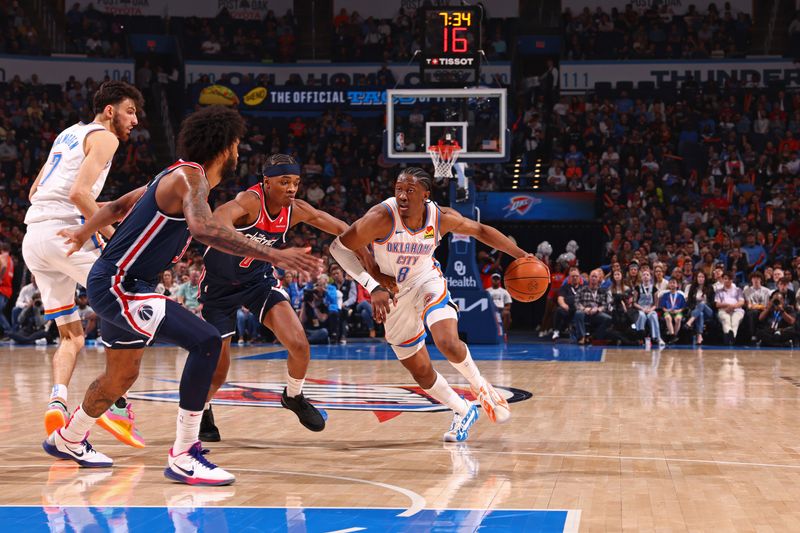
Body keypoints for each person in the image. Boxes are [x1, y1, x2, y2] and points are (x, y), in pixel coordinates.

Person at [46, 105, 322, 486]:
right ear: (224, 147)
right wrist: (274, 254)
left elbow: (119, 205)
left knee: (120, 376)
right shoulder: (191, 179)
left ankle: (69, 437)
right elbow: (204, 229)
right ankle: (184, 454)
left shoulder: (173, 173)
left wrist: (83, 232)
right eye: (237, 145)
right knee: (207, 341)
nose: (239, 152)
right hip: (121, 284)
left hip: (117, 281)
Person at [330, 167, 536, 442]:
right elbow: (338, 249)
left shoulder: (441, 217)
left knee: (447, 342)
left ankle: (481, 387)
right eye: (398, 189)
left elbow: (481, 231)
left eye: (410, 191)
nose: (402, 196)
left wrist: (522, 255)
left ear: (426, 195)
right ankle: (463, 411)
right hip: (393, 294)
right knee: (420, 371)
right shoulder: (381, 217)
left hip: (427, 280)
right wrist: (373, 284)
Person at [197, 153, 380, 442]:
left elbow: (342, 228)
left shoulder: (296, 209)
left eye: (295, 182)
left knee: (299, 344)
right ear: (266, 182)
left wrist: (365, 252)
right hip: (220, 288)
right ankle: (203, 408)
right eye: (285, 182)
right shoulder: (250, 202)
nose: (292, 188)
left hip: (258, 282)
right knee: (218, 371)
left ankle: (293, 396)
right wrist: (267, 252)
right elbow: (218, 219)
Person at [21, 81, 146, 445]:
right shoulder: (106, 138)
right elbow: (78, 194)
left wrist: (101, 229)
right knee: (127, 297)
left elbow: (34, 191)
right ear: (110, 111)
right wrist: (111, 234)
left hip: (35, 239)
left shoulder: (66, 135)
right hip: (65, 233)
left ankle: (58, 400)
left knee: (71, 335)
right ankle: (116, 405)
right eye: (130, 111)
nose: (135, 120)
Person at [573, 268, 612, 344]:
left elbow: (605, 304)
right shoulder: (582, 289)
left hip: (596, 313)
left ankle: (593, 337)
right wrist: (584, 309)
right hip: (585, 313)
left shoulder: (602, 291)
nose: (593, 278)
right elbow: (576, 302)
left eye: (595, 277)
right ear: (589, 278)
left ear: (599, 279)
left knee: (608, 319)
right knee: (578, 313)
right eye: (592, 276)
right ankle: (582, 337)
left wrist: (598, 309)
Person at [634, 267, 665, 349]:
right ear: (641, 277)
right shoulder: (637, 288)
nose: (645, 276)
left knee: (653, 315)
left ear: (650, 277)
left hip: (650, 309)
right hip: (640, 308)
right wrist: (642, 309)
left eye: (647, 275)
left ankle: (657, 338)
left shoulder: (654, 289)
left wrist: (651, 309)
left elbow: (656, 304)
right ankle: (640, 337)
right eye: (643, 275)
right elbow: (634, 303)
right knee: (641, 316)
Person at [715, 271, 745, 345]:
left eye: (729, 279)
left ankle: (729, 337)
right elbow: (717, 304)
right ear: (722, 279)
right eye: (725, 279)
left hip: (737, 310)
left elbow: (741, 302)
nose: (727, 280)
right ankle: (731, 337)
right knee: (726, 319)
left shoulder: (738, 290)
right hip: (724, 310)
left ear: (732, 280)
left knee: (735, 320)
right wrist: (728, 305)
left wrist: (732, 307)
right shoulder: (719, 291)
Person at [685, 271, 715, 345]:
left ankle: (690, 321)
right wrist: (696, 307)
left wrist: (704, 303)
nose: (701, 279)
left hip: (708, 311)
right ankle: (699, 336)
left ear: (705, 278)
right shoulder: (692, 288)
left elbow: (712, 302)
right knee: (700, 314)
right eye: (699, 277)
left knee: (702, 304)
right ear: (696, 278)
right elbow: (689, 302)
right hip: (695, 311)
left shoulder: (710, 288)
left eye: (702, 277)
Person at [743, 271, 773, 345]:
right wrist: (757, 306)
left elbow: (765, 306)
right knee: (753, 313)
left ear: (761, 280)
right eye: (754, 278)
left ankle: (756, 336)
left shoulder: (767, 291)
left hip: (763, 311)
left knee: (756, 313)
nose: (756, 280)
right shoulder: (747, 290)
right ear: (751, 280)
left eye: (758, 278)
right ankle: (753, 335)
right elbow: (749, 305)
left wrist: (756, 306)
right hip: (751, 311)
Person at [553, 267, 581, 341]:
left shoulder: (584, 287)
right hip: (568, 309)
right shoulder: (565, 287)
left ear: (579, 277)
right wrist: (563, 305)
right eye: (573, 276)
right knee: (559, 310)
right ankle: (556, 331)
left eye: (576, 276)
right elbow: (560, 298)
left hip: (580, 310)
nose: (575, 278)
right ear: (569, 277)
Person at [659, 278, 687, 343]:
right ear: (668, 285)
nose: (672, 284)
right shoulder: (665, 295)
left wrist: (678, 311)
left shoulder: (680, 296)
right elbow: (663, 307)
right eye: (671, 283)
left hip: (677, 311)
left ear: (677, 285)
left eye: (674, 283)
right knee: (667, 317)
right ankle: (672, 335)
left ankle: (675, 335)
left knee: (678, 318)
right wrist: (668, 310)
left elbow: (683, 307)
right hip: (668, 311)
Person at [486, 273, 512, 342]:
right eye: (494, 279)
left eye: (497, 279)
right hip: (490, 311)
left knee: (507, 313)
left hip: (501, 311)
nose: (495, 280)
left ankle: (504, 334)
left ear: (500, 280)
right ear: (491, 280)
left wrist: (501, 309)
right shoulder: (487, 291)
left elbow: (508, 306)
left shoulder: (505, 291)